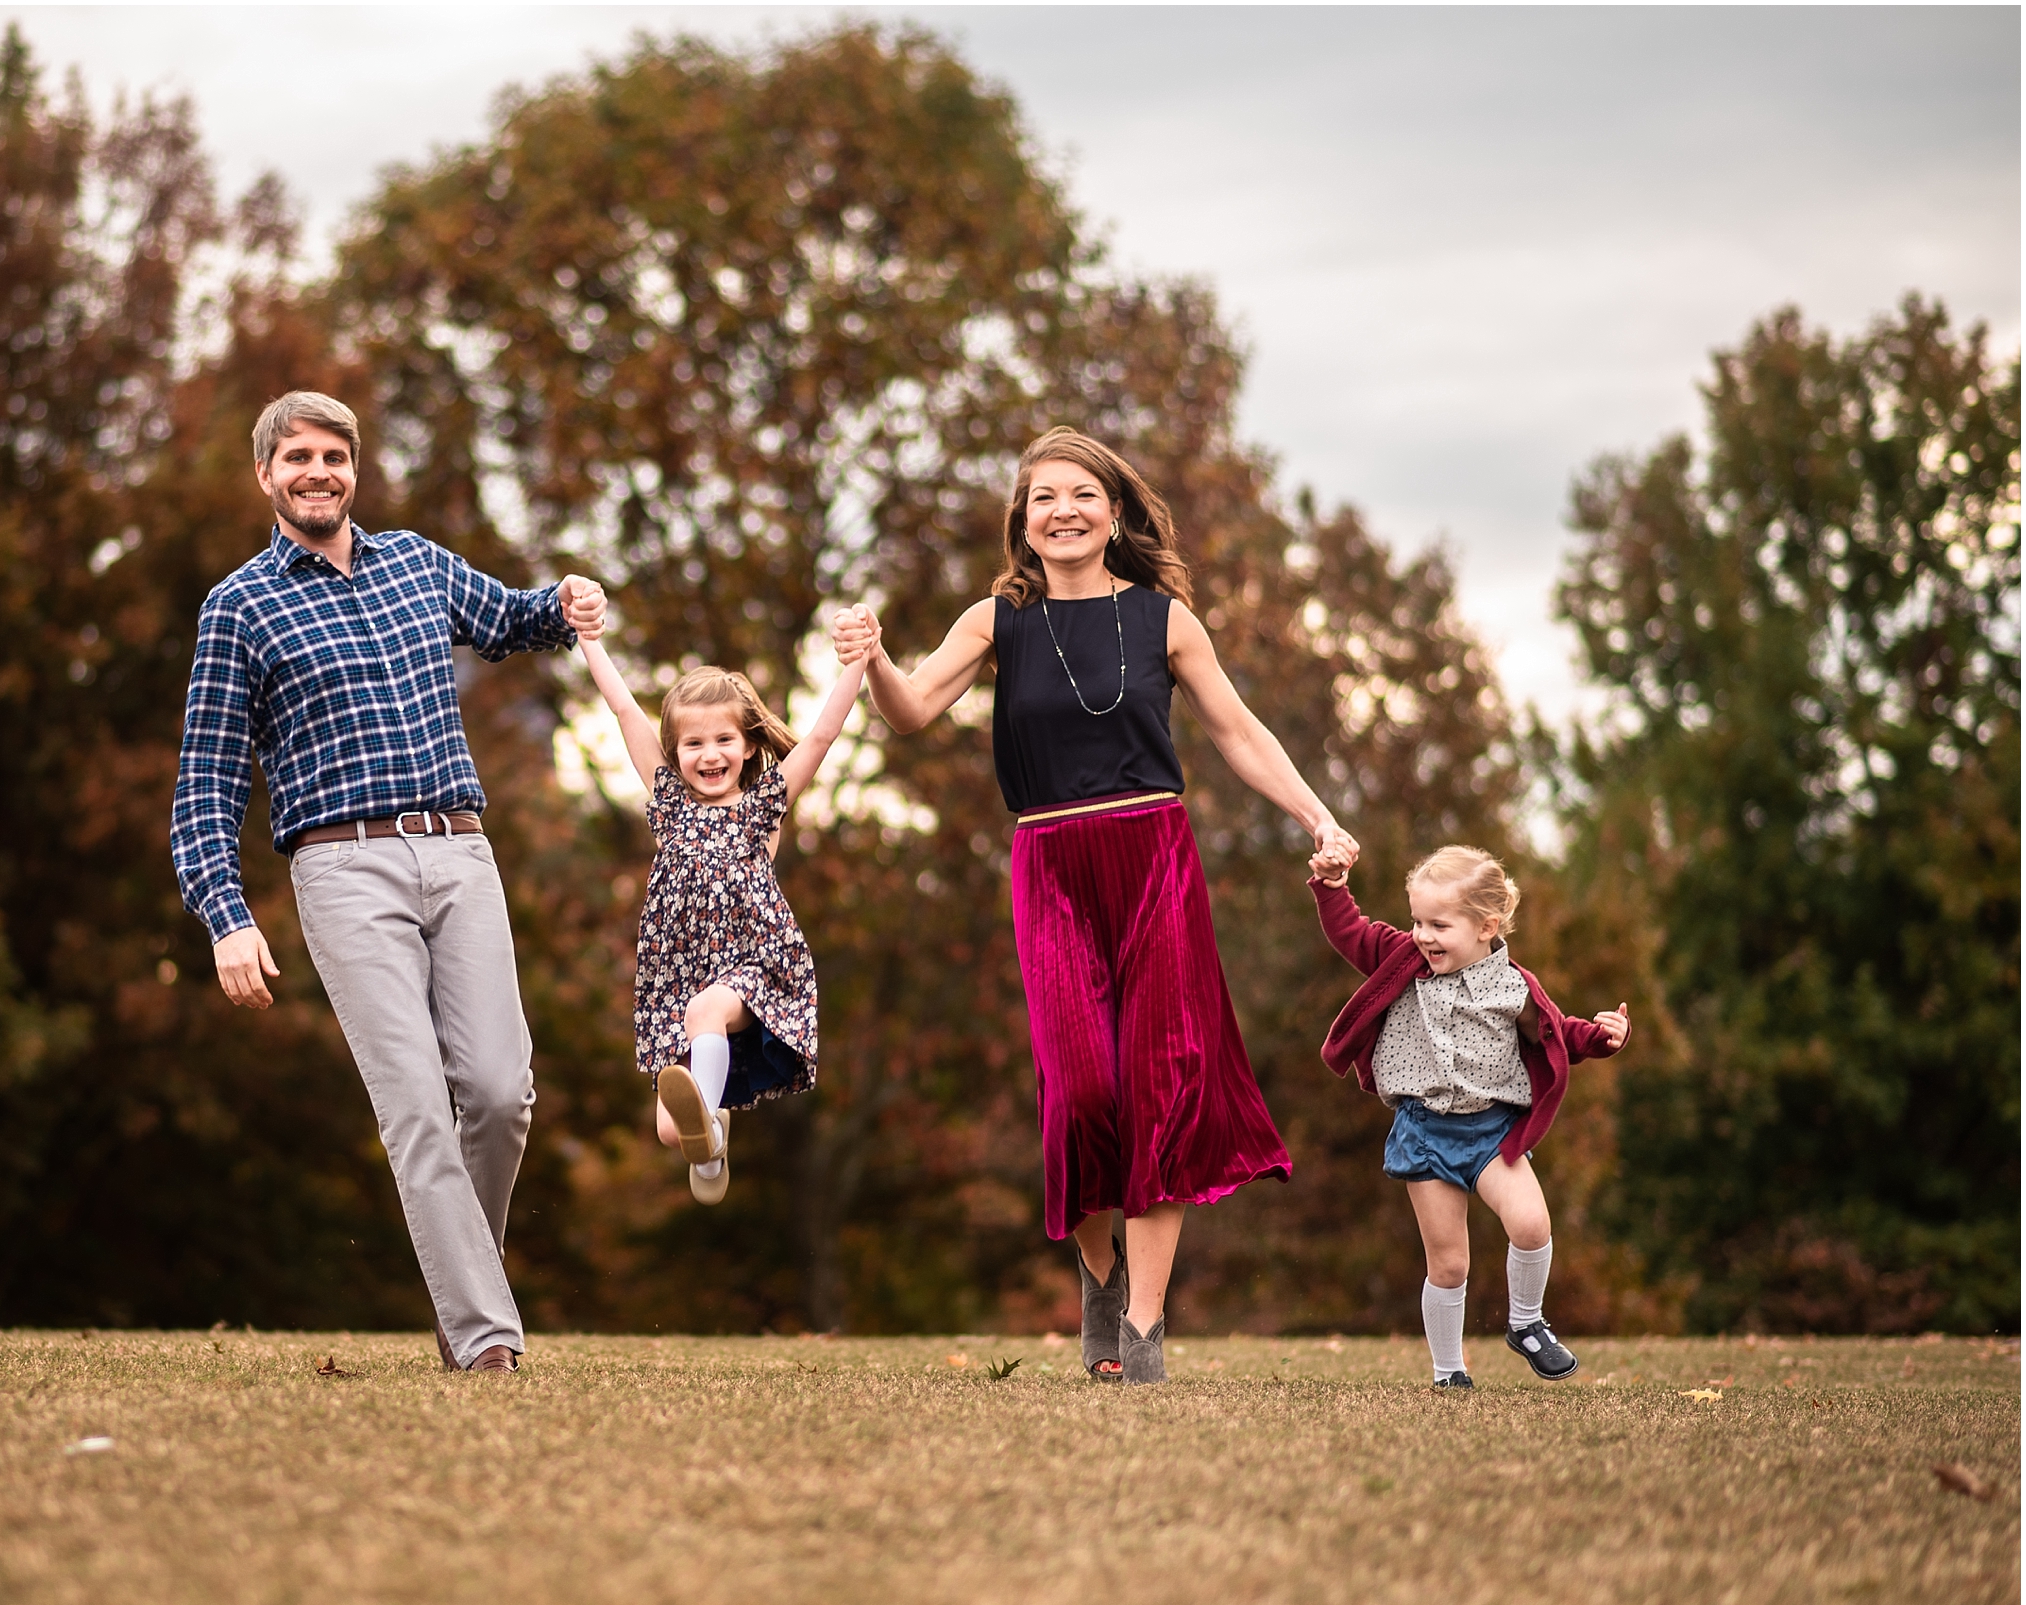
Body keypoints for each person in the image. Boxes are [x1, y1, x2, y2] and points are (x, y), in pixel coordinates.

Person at [834, 426, 1358, 1384]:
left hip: (1155, 854)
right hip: (1051, 862)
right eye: (1044, 498)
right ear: (1023, 521)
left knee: (1159, 1086)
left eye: (1082, 495)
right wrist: (870, 658)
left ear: (1112, 512)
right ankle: (1101, 1273)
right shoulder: (998, 619)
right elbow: (908, 712)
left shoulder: (1165, 619)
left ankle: (1145, 1331)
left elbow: (1238, 733)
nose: (1063, 511)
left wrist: (1318, 816)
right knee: (1081, 1092)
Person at [169, 390, 606, 1375]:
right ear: (265, 475)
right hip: (341, 866)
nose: (317, 471)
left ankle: (465, 1284)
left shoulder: (414, 561)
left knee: (499, 1093)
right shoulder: (238, 606)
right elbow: (203, 784)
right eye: (297, 458)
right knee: (415, 1104)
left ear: (353, 469)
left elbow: (514, 619)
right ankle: (487, 1340)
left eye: (334, 455)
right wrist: (225, 915)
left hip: (458, 850)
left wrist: (569, 600)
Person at [1307, 843, 1631, 1388]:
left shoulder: (1512, 987)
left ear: (1487, 926)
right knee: (1450, 1263)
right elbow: (1351, 932)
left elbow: (1555, 1033)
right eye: (1417, 921)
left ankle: (1526, 1323)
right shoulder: (1402, 961)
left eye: (1439, 924)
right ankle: (1448, 1371)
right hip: (1424, 1133)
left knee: (1531, 1224)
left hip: (1492, 1133)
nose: (1423, 935)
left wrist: (1602, 1038)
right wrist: (1332, 888)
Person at [574, 619, 867, 1203]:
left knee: (709, 1009)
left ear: (750, 744)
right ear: (675, 752)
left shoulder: (763, 807)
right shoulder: (668, 804)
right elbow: (627, 713)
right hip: (676, 973)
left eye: (724, 740)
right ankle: (710, 1146)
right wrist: (589, 642)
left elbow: (819, 739)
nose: (710, 755)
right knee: (666, 1129)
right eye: (693, 743)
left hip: (753, 965)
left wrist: (858, 661)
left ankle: (707, 1117)